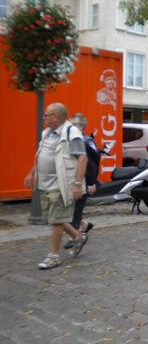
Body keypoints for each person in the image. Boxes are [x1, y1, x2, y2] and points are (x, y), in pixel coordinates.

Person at [24, 103, 88, 269]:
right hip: (44, 184)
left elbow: (82, 158)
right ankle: (77, 237)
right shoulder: (46, 133)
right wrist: (32, 173)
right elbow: (40, 155)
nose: (44, 118)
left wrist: (77, 185)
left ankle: (53, 256)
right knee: (54, 219)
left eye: (47, 115)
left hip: (61, 184)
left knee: (57, 220)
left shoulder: (71, 132)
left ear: (56, 117)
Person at [63, 113, 100, 249]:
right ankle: (84, 225)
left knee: (74, 211)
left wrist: (91, 182)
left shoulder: (86, 141)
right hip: (71, 181)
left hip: (83, 182)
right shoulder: (71, 139)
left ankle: (74, 238)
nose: (69, 127)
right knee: (71, 210)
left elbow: (93, 163)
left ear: (82, 127)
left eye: (73, 125)